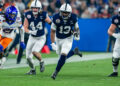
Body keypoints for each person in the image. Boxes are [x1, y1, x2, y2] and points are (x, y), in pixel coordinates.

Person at [51, 3, 82, 80]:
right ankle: (74, 52)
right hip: (58, 39)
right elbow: (52, 31)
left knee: (63, 55)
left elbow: (77, 28)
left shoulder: (73, 18)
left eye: (66, 12)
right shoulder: (56, 17)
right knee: (61, 58)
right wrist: (52, 43)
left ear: (70, 13)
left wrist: (77, 34)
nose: (64, 14)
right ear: (60, 11)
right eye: (63, 12)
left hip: (68, 39)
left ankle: (55, 72)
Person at [24, 0, 52, 75]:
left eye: (36, 8)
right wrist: (30, 32)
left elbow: (51, 23)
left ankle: (41, 62)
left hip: (41, 37)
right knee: (28, 57)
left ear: (40, 8)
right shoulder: (28, 14)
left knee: (34, 51)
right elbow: (25, 27)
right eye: (33, 8)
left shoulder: (43, 14)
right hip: (32, 37)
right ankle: (33, 70)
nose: (35, 9)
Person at [108, 8, 120, 77]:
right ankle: (115, 72)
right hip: (119, 39)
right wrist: (115, 35)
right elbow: (109, 30)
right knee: (115, 58)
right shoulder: (116, 19)